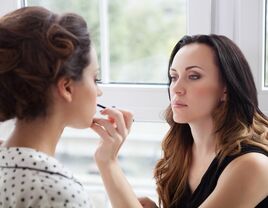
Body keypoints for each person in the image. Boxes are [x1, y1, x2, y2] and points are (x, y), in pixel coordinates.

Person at [93, 34, 268, 208]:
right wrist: (105, 159)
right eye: (174, 77)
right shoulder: (182, 151)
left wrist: (108, 162)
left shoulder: (251, 165)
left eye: (193, 76)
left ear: (226, 89)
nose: (176, 88)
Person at [0, 6, 133, 207]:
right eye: (94, 78)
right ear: (67, 87)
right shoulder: (56, 191)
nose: (99, 92)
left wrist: (107, 161)